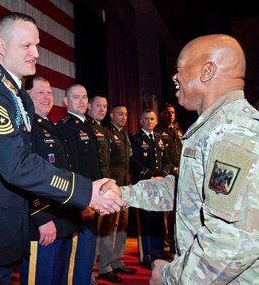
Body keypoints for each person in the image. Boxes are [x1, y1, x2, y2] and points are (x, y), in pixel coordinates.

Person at [0, 12, 125, 285]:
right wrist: (84, 191)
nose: (35, 53)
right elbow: (17, 164)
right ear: (2, 46)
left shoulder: (15, 93)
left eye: (36, 45)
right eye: (27, 46)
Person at [104, 34, 259, 284]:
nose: (175, 77)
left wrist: (169, 277)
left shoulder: (234, 133)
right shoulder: (215, 128)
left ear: (207, 71)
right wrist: (122, 194)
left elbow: (231, 239)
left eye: (179, 68)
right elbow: (186, 191)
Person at [19, 75, 81, 284]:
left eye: (49, 92)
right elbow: (25, 176)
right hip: (45, 223)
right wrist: (41, 216)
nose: (46, 97)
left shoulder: (50, 126)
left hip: (65, 218)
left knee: (62, 277)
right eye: (40, 92)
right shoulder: (26, 128)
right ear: (27, 97)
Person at [56, 84, 102, 285]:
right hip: (80, 200)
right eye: (76, 97)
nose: (82, 101)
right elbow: (71, 168)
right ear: (66, 101)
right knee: (78, 254)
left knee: (88, 250)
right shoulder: (66, 127)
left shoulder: (87, 126)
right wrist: (81, 201)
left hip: (92, 196)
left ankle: (85, 280)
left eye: (84, 97)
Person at [98, 104, 136, 283]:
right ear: (111, 115)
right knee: (108, 229)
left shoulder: (124, 134)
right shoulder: (106, 133)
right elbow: (105, 162)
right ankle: (104, 266)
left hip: (124, 188)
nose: (124, 117)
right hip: (112, 189)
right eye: (120, 114)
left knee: (122, 227)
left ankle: (116, 260)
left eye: (126, 114)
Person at [129, 108, 171, 269]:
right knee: (146, 221)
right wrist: (151, 176)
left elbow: (166, 160)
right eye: (146, 119)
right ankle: (147, 255)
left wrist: (164, 175)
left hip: (160, 185)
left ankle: (157, 253)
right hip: (145, 185)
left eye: (152, 118)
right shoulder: (135, 138)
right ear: (141, 121)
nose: (149, 121)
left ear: (156, 120)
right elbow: (134, 161)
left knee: (158, 220)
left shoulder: (160, 138)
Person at [86, 94, 110, 285]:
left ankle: (100, 268)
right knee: (91, 234)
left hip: (105, 186)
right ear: (89, 106)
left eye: (104, 106)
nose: (102, 109)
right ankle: (89, 273)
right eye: (98, 105)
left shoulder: (104, 130)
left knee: (103, 232)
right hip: (91, 189)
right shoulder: (85, 127)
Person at [155, 103, 183, 258]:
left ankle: (174, 245)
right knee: (164, 214)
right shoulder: (158, 131)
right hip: (166, 175)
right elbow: (161, 156)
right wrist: (172, 168)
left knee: (176, 213)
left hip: (181, 176)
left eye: (172, 113)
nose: (171, 115)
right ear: (161, 114)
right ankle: (164, 246)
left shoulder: (178, 131)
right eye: (167, 113)